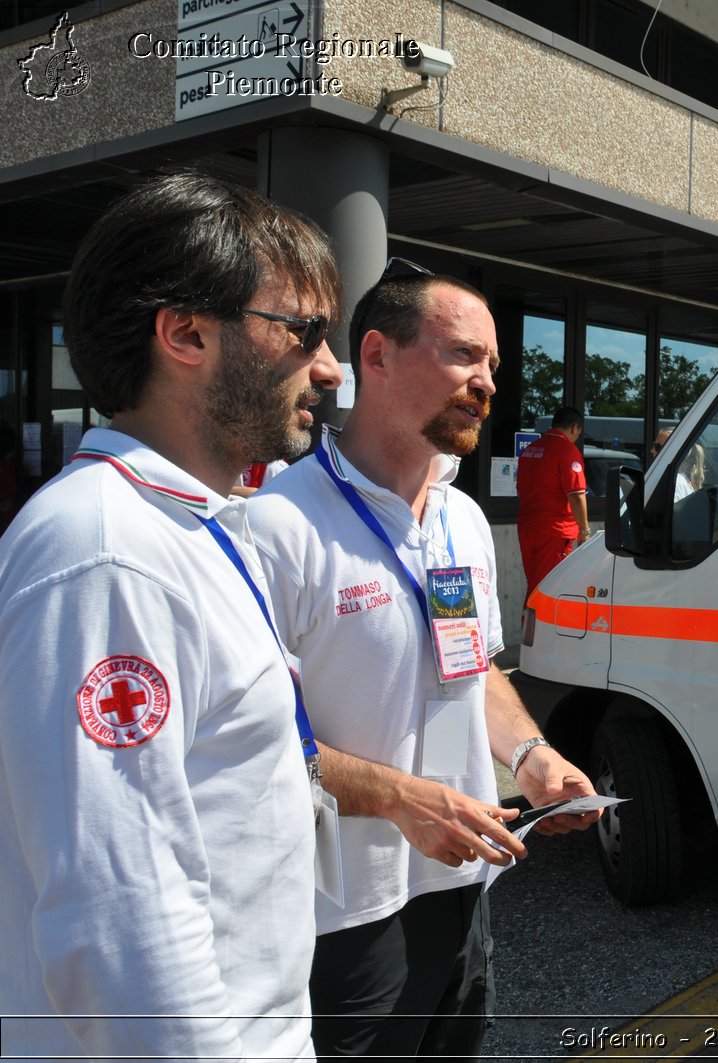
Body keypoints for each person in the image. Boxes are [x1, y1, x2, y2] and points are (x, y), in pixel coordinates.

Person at [0, 172, 343, 1060]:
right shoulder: (109, 552)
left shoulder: (185, 526)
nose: (331, 368)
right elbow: (122, 917)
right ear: (186, 332)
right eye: (303, 332)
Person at [249, 263, 600, 1058]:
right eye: (462, 356)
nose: (485, 382)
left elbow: (473, 670)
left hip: (463, 886)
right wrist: (401, 798)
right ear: (376, 355)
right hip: (339, 911)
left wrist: (534, 756)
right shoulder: (278, 525)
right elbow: (256, 742)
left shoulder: (464, 519)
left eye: (493, 368)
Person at [516, 405, 588, 597]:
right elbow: (576, 494)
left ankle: (528, 625)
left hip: (528, 527)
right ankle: (535, 627)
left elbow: (521, 487)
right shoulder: (567, 451)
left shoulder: (530, 450)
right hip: (555, 531)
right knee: (550, 588)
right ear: (574, 428)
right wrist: (584, 530)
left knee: (534, 584)